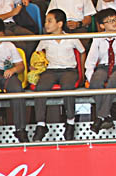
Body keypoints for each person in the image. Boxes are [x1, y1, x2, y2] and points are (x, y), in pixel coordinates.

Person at [32, 9, 84, 141]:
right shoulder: (44, 39)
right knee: (41, 88)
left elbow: (82, 52)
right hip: (50, 71)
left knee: (68, 87)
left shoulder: (71, 38)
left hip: (69, 70)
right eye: (46, 21)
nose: (46, 24)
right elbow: (37, 55)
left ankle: (70, 122)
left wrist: (81, 72)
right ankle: (41, 124)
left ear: (60, 24)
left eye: (50, 21)